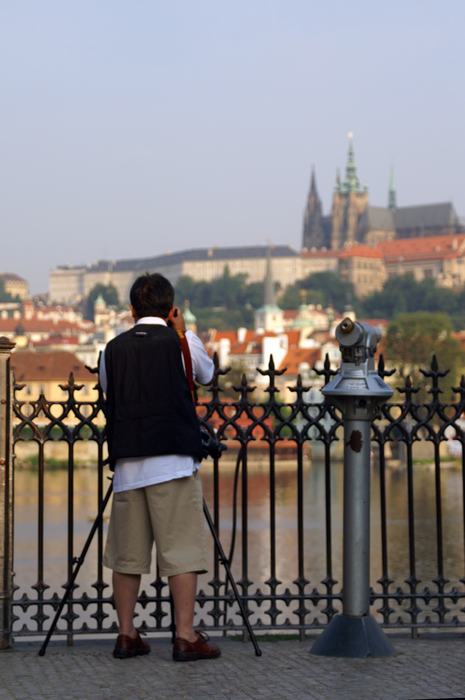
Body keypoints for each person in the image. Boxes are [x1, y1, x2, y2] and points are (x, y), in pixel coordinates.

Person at [99, 272, 221, 661]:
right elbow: (206, 374)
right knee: (182, 553)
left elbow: (108, 389)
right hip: (173, 461)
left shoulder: (112, 349)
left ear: (132, 310)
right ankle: (185, 636)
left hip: (128, 466)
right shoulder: (182, 342)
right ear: (171, 310)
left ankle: (126, 634)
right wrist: (184, 333)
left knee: (127, 556)